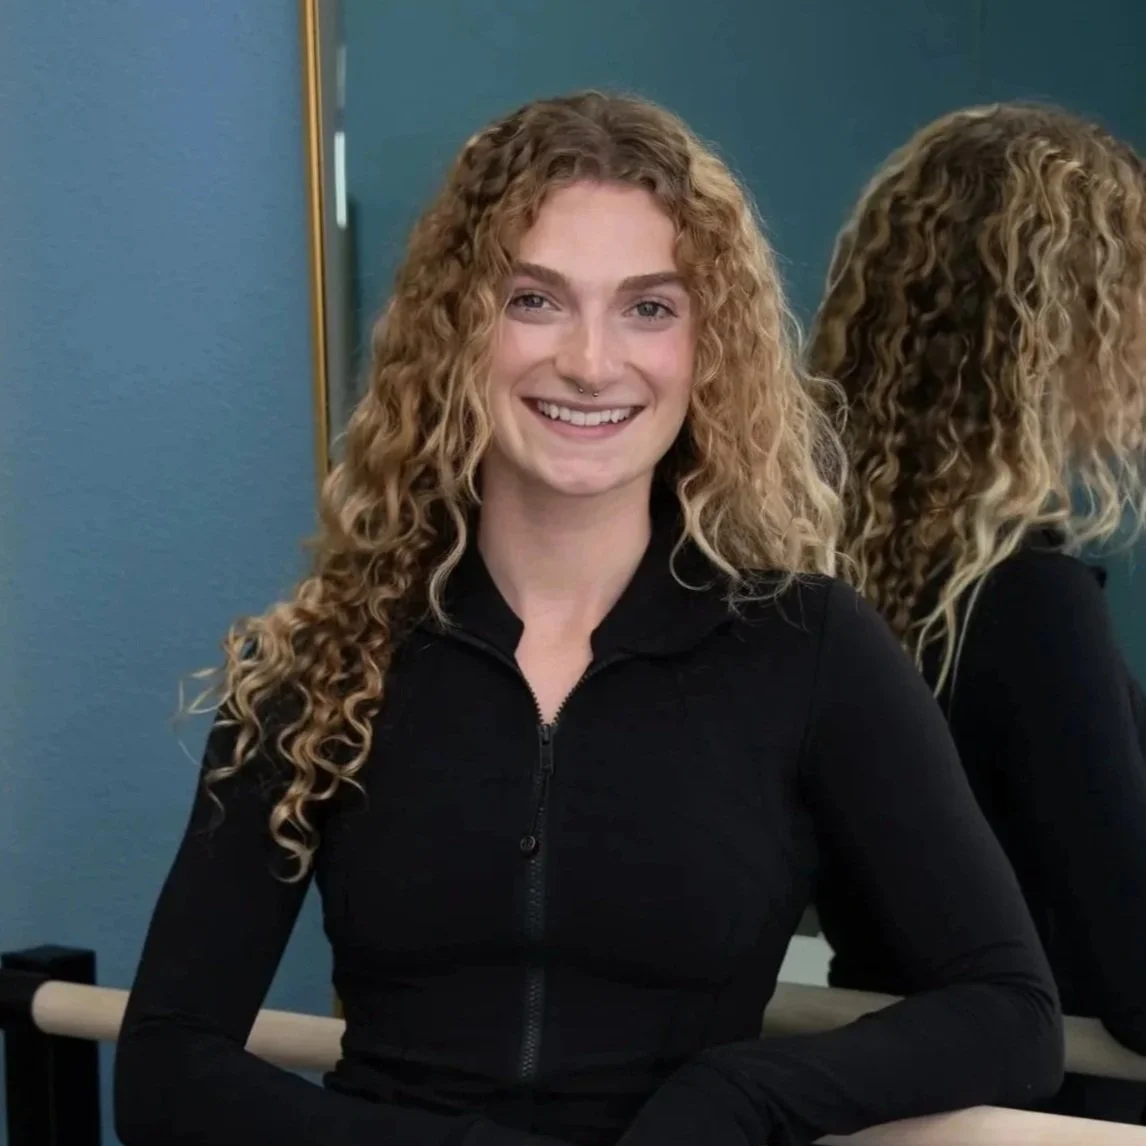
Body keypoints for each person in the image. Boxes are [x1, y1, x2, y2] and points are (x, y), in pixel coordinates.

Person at [114, 92, 1063, 1146]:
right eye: (536, 299)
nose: (592, 361)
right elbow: (168, 1067)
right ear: (457, 328)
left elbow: (1008, 1014)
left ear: (710, 347)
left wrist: (733, 1099)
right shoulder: (322, 656)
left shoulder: (810, 648)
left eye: (650, 307)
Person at [809, 101, 1146, 1124]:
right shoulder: (1024, 605)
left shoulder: (840, 578)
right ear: (1056, 321)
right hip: (1042, 1113)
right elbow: (1134, 970)